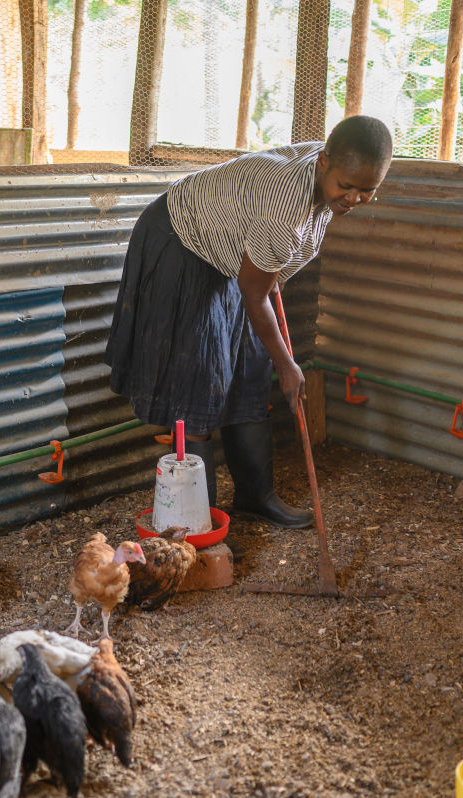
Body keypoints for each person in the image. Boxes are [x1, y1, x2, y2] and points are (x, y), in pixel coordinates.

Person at [105, 115, 393, 529]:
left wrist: (273, 355)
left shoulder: (329, 164)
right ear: (325, 162)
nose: (353, 198)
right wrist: (289, 366)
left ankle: (256, 497)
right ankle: (195, 524)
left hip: (228, 248)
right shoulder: (284, 212)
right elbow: (254, 294)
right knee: (198, 381)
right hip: (180, 241)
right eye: (346, 186)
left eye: (368, 190)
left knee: (248, 369)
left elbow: (259, 278)